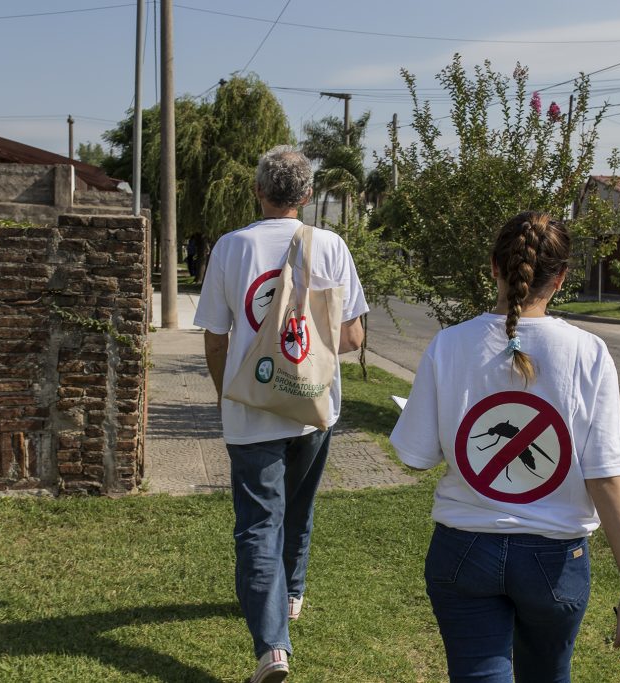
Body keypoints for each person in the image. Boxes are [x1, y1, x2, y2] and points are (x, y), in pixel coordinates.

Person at [390, 211, 620, 683]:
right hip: (555, 561)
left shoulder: (448, 345)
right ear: (563, 278)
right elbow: (607, 476)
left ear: (494, 267)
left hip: (462, 549)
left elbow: (416, 455)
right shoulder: (588, 352)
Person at [194, 145, 368, 683]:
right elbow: (353, 336)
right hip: (314, 405)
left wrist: (232, 393)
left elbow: (216, 338)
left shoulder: (230, 247)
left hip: (252, 411)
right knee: (298, 507)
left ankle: (273, 648)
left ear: (257, 191)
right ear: (308, 196)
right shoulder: (332, 246)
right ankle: (291, 593)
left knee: (257, 523)